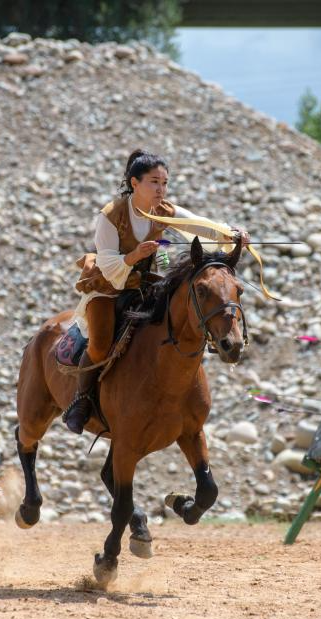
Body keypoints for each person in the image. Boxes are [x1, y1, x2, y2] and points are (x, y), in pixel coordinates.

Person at [63, 150, 250, 434]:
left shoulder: (164, 210)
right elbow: (108, 263)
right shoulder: (110, 215)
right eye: (154, 182)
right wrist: (135, 255)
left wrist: (232, 235)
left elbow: (199, 225)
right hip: (107, 285)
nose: (161, 189)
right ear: (134, 183)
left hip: (145, 282)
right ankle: (82, 401)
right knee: (100, 343)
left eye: (164, 183)